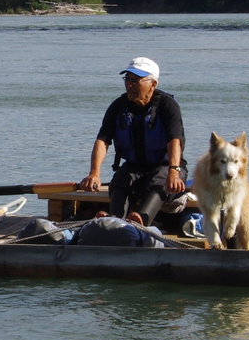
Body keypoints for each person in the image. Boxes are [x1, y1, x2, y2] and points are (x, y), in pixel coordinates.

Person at [78, 57, 185, 225]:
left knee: (159, 182)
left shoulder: (167, 105)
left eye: (136, 80)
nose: (129, 84)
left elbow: (174, 140)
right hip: (135, 166)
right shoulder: (118, 106)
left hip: (165, 165)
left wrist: (174, 171)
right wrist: (94, 173)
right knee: (120, 180)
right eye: (127, 79)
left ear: (153, 84)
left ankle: (141, 220)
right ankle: (115, 221)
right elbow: (102, 141)